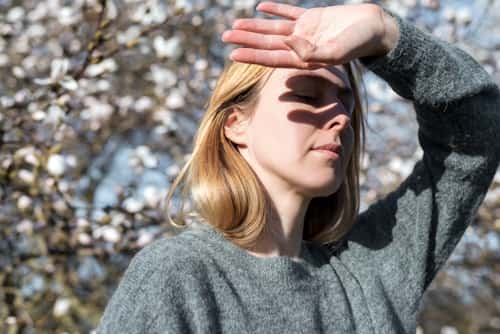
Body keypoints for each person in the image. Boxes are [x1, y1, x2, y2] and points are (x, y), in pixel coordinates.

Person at [95, 2, 500, 333]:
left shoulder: (374, 268)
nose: (339, 117)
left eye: (345, 102)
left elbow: (479, 133)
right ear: (236, 124)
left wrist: (385, 33)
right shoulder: (180, 277)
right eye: (308, 97)